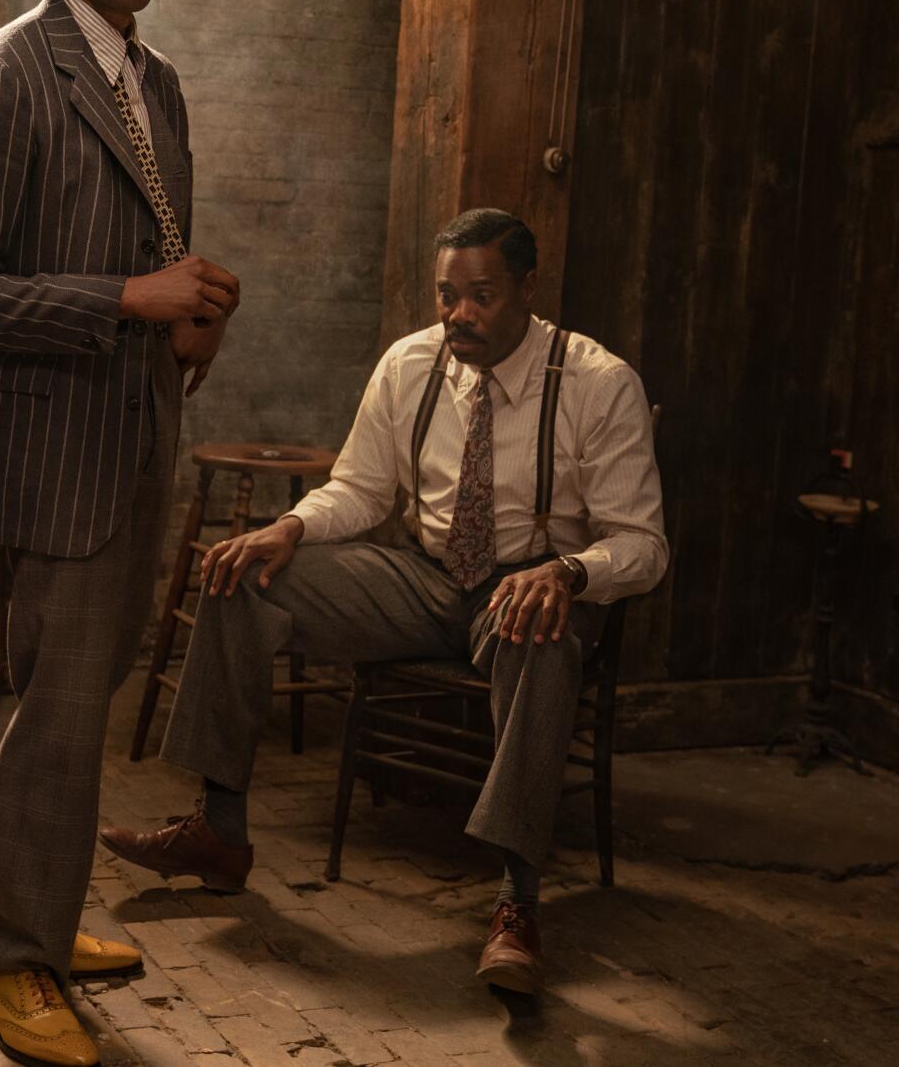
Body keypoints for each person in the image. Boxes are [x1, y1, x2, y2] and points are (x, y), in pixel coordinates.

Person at [100, 208, 667, 996]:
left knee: (538, 631)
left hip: (532, 591)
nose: (459, 314)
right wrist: (291, 525)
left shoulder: (597, 382)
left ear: (527, 290)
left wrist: (567, 573)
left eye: (481, 295)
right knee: (241, 573)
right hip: (428, 578)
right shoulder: (411, 364)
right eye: (446, 295)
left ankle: (517, 900)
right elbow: (363, 489)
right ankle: (220, 829)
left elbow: (643, 543)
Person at [0, 0, 238, 1067]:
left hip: (135, 427)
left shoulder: (151, 80)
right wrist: (123, 302)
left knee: (71, 694)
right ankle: (23, 962)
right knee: (61, 710)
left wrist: (189, 312)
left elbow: (152, 257)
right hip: (54, 450)